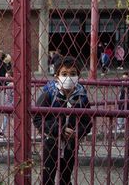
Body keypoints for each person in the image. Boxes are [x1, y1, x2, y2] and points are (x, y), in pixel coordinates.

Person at [33, 56, 92, 185]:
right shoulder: (49, 94)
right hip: (51, 142)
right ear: (57, 76)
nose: (69, 78)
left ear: (78, 76)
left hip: (71, 144)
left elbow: (88, 122)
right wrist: (58, 129)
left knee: (66, 178)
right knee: (47, 177)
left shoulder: (82, 97)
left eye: (73, 74)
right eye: (64, 74)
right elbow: (37, 117)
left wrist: (77, 132)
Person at [0, 70, 14, 137]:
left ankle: (14, 132)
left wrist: (12, 105)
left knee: (13, 118)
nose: (6, 79)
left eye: (8, 77)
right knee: (6, 117)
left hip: (11, 105)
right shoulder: (9, 85)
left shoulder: (11, 85)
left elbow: (14, 96)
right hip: (8, 104)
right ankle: (2, 131)